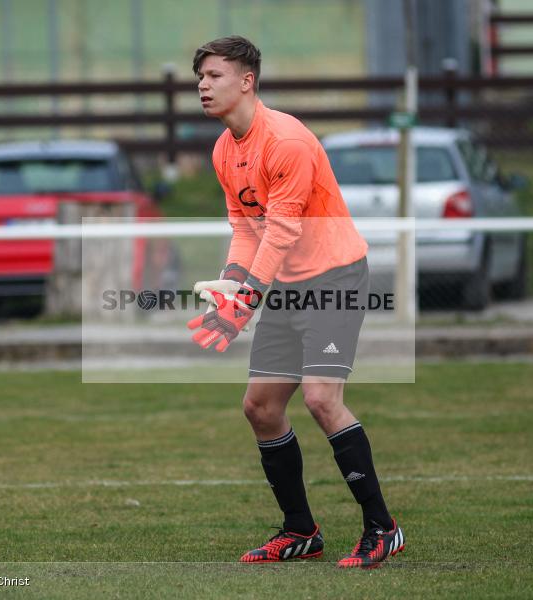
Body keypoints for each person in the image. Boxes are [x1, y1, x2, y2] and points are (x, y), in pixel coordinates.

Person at [187, 36, 404, 569]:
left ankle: (383, 528)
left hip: (333, 278)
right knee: (260, 407)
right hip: (285, 285)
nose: (203, 86)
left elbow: (281, 233)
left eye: (214, 76)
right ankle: (301, 530)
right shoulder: (223, 150)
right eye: (200, 78)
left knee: (321, 399)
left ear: (247, 81)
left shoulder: (286, 141)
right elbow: (246, 229)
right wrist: (233, 285)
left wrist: (244, 303)